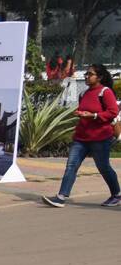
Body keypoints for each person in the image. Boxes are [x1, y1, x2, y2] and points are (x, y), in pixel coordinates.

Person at [43, 64, 120, 207]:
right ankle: (61, 197)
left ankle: (116, 194)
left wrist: (94, 115)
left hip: (100, 138)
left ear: (100, 77)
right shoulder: (83, 93)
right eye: (86, 74)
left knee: (103, 167)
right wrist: (80, 113)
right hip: (81, 138)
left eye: (90, 74)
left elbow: (113, 112)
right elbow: (83, 110)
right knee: (71, 165)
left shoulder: (105, 92)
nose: (86, 76)